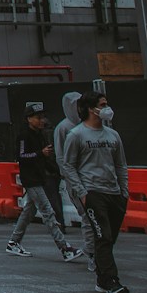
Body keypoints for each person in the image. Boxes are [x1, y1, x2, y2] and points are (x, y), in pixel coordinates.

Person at [61, 91, 129, 293]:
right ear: (91, 109)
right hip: (93, 193)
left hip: (114, 193)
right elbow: (68, 165)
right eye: (103, 104)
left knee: (109, 239)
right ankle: (111, 282)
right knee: (103, 236)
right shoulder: (76, 135)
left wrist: (124, 190)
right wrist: (82, 193)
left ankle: (101, 278)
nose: (107, 107)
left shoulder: (112, 135)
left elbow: (120, 164)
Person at [5, 101, 82, 261]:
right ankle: (65, 249)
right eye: (38, 117)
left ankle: (13, 242)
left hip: (39, 177)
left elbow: (43, 157)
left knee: (29, 211)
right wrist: (40, 153)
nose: (42, 120)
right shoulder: (24, 136)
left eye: (43, 117)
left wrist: (55, 170)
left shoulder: (40, 134)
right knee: (48, 212)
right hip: (31, 179)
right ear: (29, 119)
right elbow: (21, 156)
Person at [55, 90, 97, 268]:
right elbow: (61, 157)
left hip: (90, 177)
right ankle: (92, 251)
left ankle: (93, 250)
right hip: (76, 180)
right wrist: (70, 178)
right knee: (88, 217)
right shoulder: (64, 128)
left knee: (92, 217)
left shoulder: (87, 125)